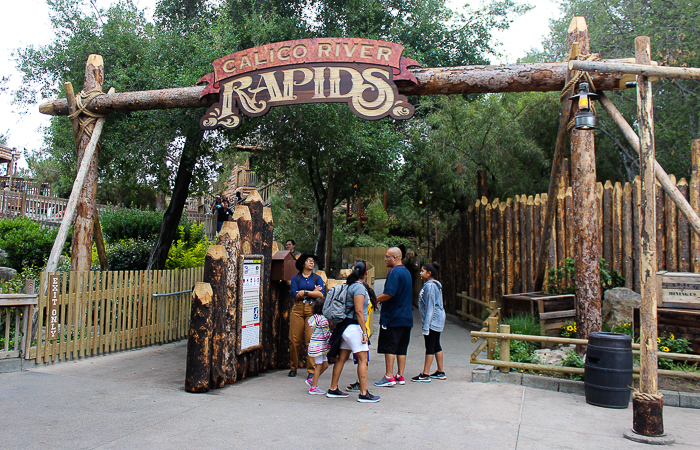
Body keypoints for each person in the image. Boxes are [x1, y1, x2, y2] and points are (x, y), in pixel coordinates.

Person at [326, 261, 380, 402]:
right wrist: (364, 332)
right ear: (366, 273)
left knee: (342, 358)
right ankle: (363, 393)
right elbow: (359, 311)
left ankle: (333, 388)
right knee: (363, 359)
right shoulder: (359, 288)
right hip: (354, 327)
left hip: (344, 327)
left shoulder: (349, 285)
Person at [374, 247, 413, 387]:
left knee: (390, 346)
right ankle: (400, 375)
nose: (385, 259)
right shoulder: (406, 272)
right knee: (402, 347)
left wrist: (376, 298)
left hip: (393, 316)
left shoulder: (394, 272)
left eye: (387, 256)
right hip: (406, 317)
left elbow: (389, 293)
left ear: (394, 258)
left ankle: (389, 375)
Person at [289, 252, 325, 379]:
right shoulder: (295, 278)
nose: (311, 263)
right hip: (297, 309)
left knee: (310, 340)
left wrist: (304, 292)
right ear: (303, 263)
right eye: (309, 260)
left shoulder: (317, 278)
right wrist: (312, 292)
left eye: (313, 261)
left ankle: (311, 369)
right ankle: (293, 367)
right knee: (294, 340)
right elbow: (295, 294)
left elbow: (321, 294)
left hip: (311, 309)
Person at [411, 262, 446, 382]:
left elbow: (430, 306)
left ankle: (425, 373)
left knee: (430, 345)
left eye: (422, 271)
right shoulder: (433, 285)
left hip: (433, 320)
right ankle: (440, 371)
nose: (420, 273)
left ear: (429, 273)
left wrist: (426, 326)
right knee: (436, 344)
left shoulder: (430, 286)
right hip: (437, 319)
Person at [306, 299, 331, 395]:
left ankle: (312, 380)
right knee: (319, 366)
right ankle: (314, 387)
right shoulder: (323, 320)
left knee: (325, 365)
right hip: (319, 346)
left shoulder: (314, 318)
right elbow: (326, 334)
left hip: (317, 345)